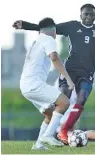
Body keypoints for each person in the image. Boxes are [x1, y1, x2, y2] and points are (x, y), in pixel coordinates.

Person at [13, 3, 95, 144]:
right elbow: (49, 28)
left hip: (87, 72)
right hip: (70, 69)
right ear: (80, 15)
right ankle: (51, 132)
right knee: (63, 98)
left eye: (91, 14)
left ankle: (64, 131)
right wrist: (25, 25)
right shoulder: (72, 26)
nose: (88, 17)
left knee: (81, 99)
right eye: (85, 14)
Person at [19, 17, 74, 150]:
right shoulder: (48, 39)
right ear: (54, 30)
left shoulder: (37, 40)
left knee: (50, 114)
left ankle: (38, 145)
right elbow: (54, 57)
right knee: (64, 102)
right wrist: (68, 79)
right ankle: (48, 135)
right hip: (34, 84)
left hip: (25, 86)